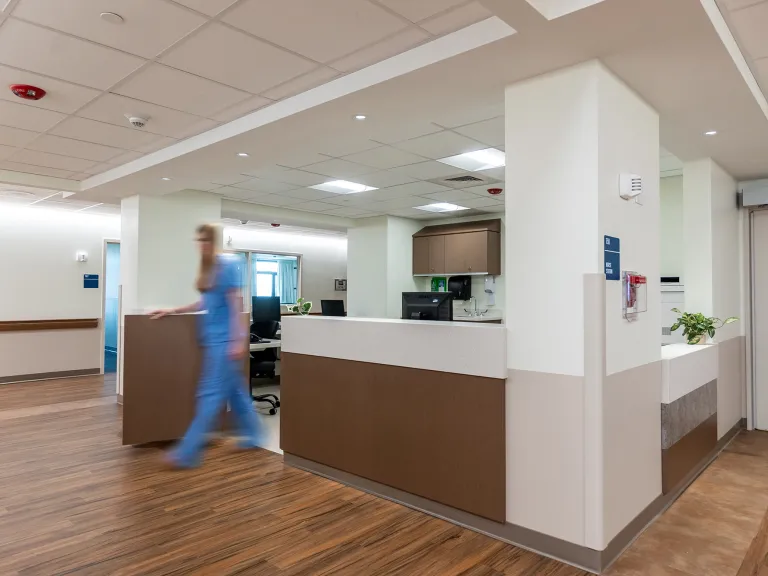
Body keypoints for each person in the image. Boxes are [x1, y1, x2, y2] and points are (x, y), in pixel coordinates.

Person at [151, 223, 259, 468]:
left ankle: (187, 453)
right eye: (198, 240)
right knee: (237, 394)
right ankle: (254, 435)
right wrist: (173, 310)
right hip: (212, 340)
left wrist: (238, 340)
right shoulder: (209, 269)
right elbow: (205, 302)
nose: (201, 245)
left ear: (213, 241)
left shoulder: (228, 266)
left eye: (205, 240)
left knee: (209, 395)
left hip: (224, 343)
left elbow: (236, 305)